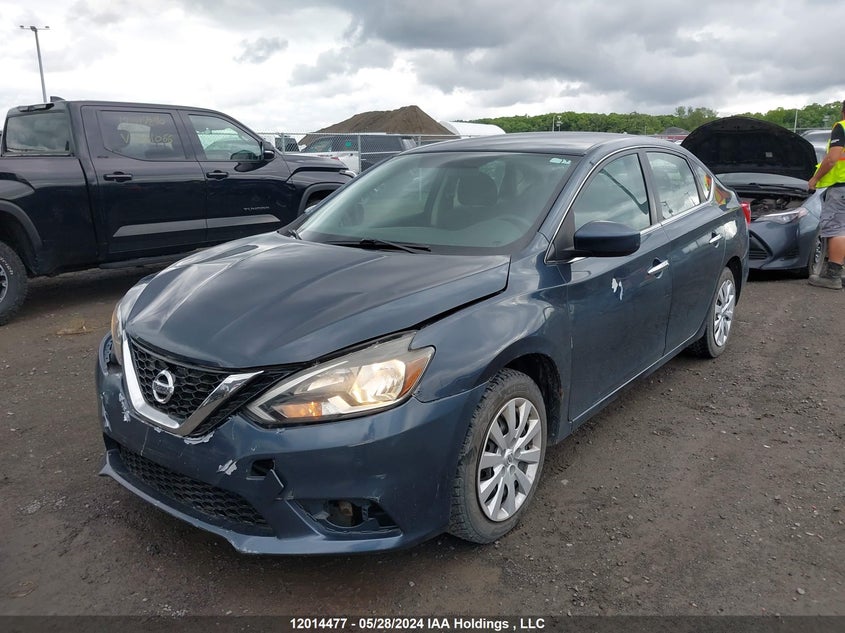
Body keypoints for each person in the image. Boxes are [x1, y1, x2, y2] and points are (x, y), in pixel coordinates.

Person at [807, 100, 845, 289]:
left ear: (842, 111)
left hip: (842, 187)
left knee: (836, 229)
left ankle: (833, 276)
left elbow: (832, 159)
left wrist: (815, 179)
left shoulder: (841, 127)